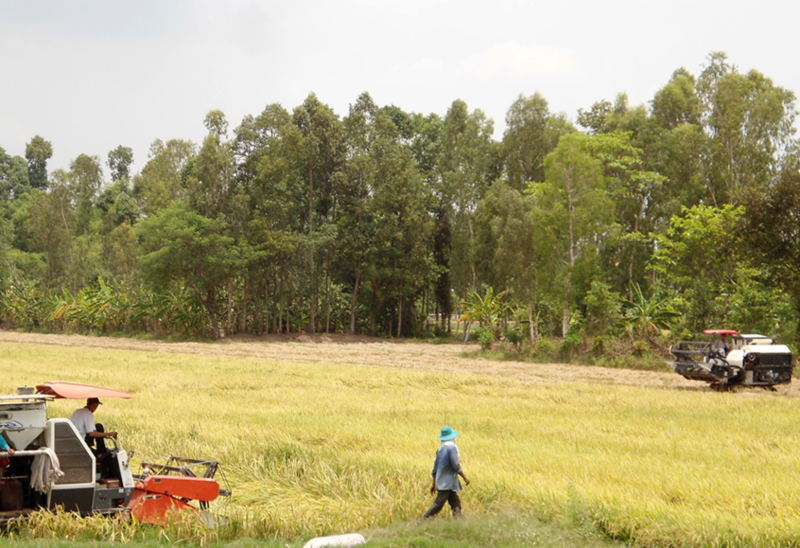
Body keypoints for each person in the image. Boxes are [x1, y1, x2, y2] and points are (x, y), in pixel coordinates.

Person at [422, 425, 470, 519]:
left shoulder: (440, 449)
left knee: (455, 503)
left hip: (443, 481)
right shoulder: (451, 448)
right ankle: (422, 521)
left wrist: (434, 483)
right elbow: (456, 465)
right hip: (447, 482)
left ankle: (459, 523)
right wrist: (465, 477)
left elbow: (435, 468)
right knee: (438, 505)